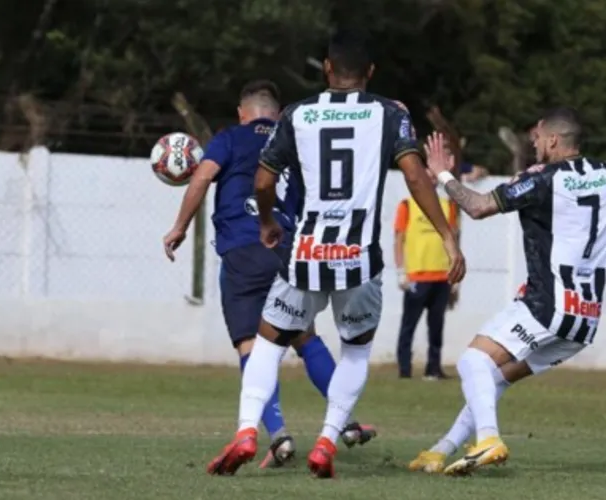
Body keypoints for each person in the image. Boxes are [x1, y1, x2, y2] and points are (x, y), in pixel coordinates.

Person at [206, 30, 465, 479]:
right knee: (355, 352)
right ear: (370, 73)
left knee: (268, 343)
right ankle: (327, 439)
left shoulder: (298, 114)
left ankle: (248, 430)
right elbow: (416, 177)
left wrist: (267, 221)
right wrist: (447, 235)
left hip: (304, 252)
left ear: (327, 68)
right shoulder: (390, 114)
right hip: (359, 257)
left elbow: (264, 181)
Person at [414, 107, 606, 476]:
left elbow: (478, 206)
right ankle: (442, 450)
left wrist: (441, 173)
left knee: (473, 362)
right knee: (496, 378)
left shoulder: (544, 180)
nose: (533, 145)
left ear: (552, 139)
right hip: (584, 319)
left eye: (535, 139)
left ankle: (488, 439)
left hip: (548, 304)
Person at [162, 80, 376, 470]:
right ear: (276, 114)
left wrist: (179, 227)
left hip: (242, 252)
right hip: (286, 249)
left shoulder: (229, 138)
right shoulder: (293, 141)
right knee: (304, 336)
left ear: (242, 113)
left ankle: (277, 435)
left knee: (251, 344)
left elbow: (202, 177)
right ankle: (344, 424)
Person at [394, 186, 459, 380]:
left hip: (441, 275)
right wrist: (400, 271)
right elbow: (398, 239)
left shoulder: (448, 206)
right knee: (409, 325)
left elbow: (453, 238)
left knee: (437, 325)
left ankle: (433, 368)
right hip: (416, 276)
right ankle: (405, 370)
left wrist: (455, 272)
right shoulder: (407, 205)